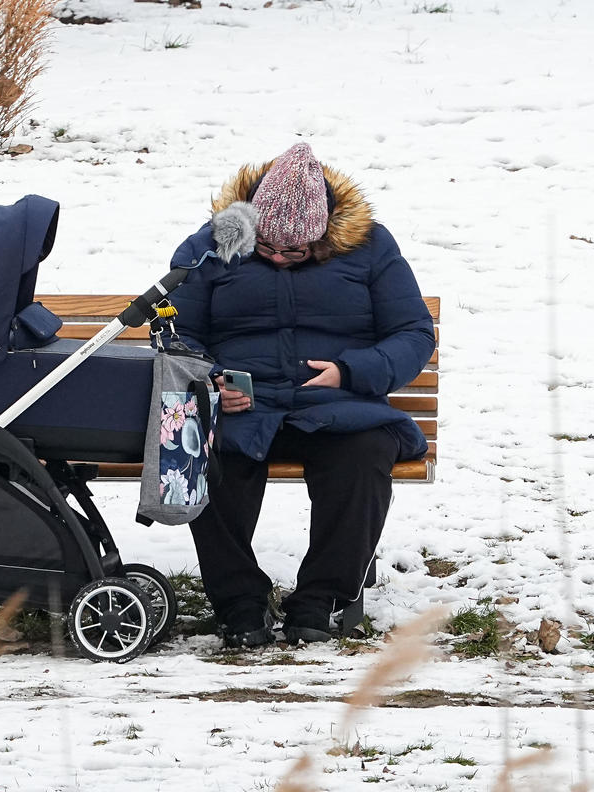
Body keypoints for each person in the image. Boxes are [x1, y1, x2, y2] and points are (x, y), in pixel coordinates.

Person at [167, 142, 435, 648]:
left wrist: (350, 371)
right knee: (204, 452)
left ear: (326, 236)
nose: (278, 260)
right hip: (244, 407)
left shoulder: (371, 246)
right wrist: (213, 382)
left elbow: (414, 333)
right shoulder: (212, 244)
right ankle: (239, 603)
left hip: (335, 406)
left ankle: (321, 599)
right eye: (265, 248)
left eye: (295, 252)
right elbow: (177, 331)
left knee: (365, 454)